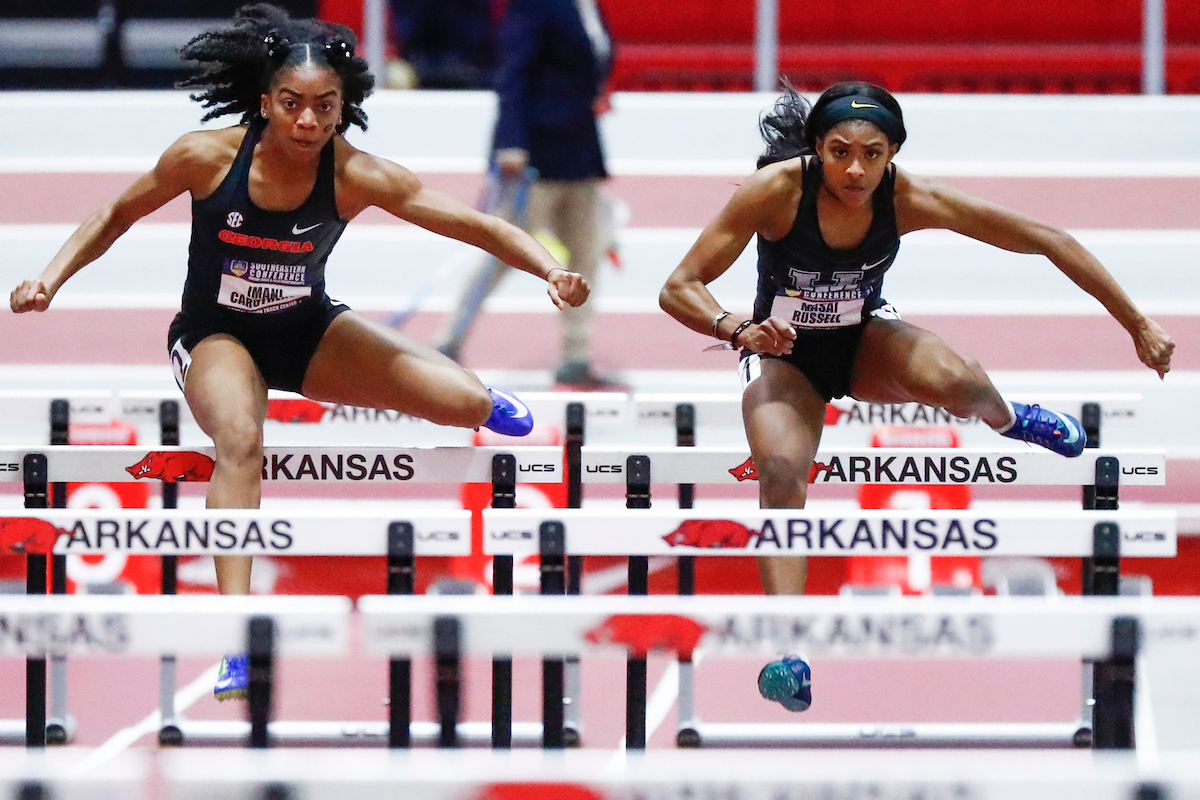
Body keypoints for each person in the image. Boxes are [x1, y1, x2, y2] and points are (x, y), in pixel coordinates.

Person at [9, 3, 588, 700]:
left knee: (463, 402)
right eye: (292, 105)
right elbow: (113, 216)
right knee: (240, 441)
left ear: (343, 107)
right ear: (264, 102)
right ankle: (237, 640)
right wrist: (50, 276)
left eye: (325, 107)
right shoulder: (205, 156)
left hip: (308, 333)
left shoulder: (356, 173)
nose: (309, 122)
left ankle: (478, 397)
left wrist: (548, 271)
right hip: (215, 337)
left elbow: (474, 223)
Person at [658, 82, 1175, 712]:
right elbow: (679, 286)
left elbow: (1046, 238)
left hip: (866, 340)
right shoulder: (775, 193)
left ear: (893, 154)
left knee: (959, 377)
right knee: (780, 470)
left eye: (871, 155)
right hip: (784, 354)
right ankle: (788, 649)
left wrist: (1138, 323)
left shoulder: (908, 198)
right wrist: (737, 328)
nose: (854, 169)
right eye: (840, 152)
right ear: (817, 150)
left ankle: (1011, 418)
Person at [433, 0, 617, 388]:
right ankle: (449, 340)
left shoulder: (589, 7)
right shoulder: (534, 5)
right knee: (502, 250)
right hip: (534, 153)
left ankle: (576, 356)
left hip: (580, 151)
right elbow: (512, 75)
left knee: (585, 253)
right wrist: (511, 143)